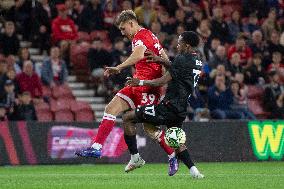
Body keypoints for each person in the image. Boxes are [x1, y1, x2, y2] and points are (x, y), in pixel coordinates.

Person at [75, 10, 178, 175]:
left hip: (149, 87)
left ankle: (173, 155)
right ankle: (99, 148)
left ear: (131, 23)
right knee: (111, 109)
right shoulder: (150, 35)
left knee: (150, 128)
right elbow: (166, 59)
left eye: (123, 29)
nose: (123, 33)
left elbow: (138, 55)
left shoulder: (140, 37)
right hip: (136, 84)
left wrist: (119, 67)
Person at [122, 31, 204, 178]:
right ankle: (195, 172)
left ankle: (135, 157)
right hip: (181, 109)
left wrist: (139, 82)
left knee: (128, 117)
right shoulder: (197, 59)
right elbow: (176, 67)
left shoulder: (181, 59)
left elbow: (161, 81)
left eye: (180, 43)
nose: (177, 45)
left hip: (168, 107)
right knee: (176, 140)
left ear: (187, 45)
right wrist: (160, 60)